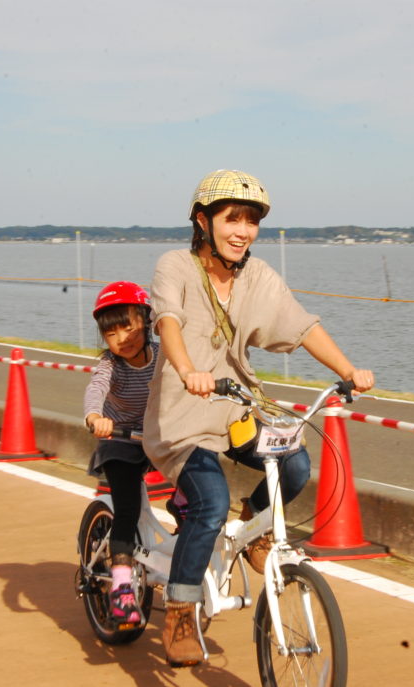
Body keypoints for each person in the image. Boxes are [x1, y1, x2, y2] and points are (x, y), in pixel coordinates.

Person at [143, 169, 375, 665]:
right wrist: (186, 370)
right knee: (210, 501)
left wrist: (348, 369)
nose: (242, 231)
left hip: (237, 410)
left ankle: (255, 524)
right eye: (233, 219)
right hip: (182, 419)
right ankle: (181, 610)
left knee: (294, 462)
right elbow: (168, 322)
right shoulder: (175, 267)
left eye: (251, 221)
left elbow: (301, 324)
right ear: (203, 221)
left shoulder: (258, 276)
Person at [83, 281, 158, 630]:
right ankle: (123, 587)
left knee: (197, 484)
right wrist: (95, 418)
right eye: (111, 332)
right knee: (126, 509)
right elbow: (96, 388)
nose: (122, 338)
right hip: (120, 440)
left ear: (147, 320)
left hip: (158, 438)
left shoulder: (164, 356)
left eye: (129, 326)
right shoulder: (111, 365)